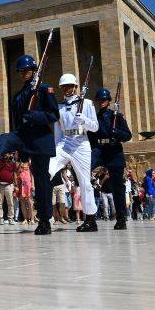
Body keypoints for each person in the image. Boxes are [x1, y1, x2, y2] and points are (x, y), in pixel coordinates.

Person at [0, 53, 60, 235]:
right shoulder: (19, 95)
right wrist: (22, 151)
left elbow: (53, 115)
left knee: (42, 182)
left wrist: (35, 116)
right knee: (5, 138)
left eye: (27, 70)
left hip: (40, 139)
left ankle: (44, 220)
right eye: (21, 71)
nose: (24, 73)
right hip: (24, 136)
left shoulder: (44, 89)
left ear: (34, 70)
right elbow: (17, 121)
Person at [47, 73, 100, 232]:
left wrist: (84, 120)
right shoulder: (59, 107)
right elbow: (58, 132)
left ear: (75, 87)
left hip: (81, 143)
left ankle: (90, 219)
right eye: (64, 87)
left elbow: (95, 127)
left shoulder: (87, 103)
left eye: (69, 86)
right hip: (65, 143)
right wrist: (56, 149)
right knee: (48, 169)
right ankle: (44, 212)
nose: (66, 89)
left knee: (85, 182)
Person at [88, 87, 133, 229]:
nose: (101, 102)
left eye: (104, 99)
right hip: (99, 150)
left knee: (118, 187)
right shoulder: (94, 118)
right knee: (84, 176)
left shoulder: (117, 117)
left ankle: (121, 219)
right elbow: (90, 137)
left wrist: (116, 132)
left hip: (114, 150)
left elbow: (127, 135)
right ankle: (89, 218)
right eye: (99, 100)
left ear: (109, 101)